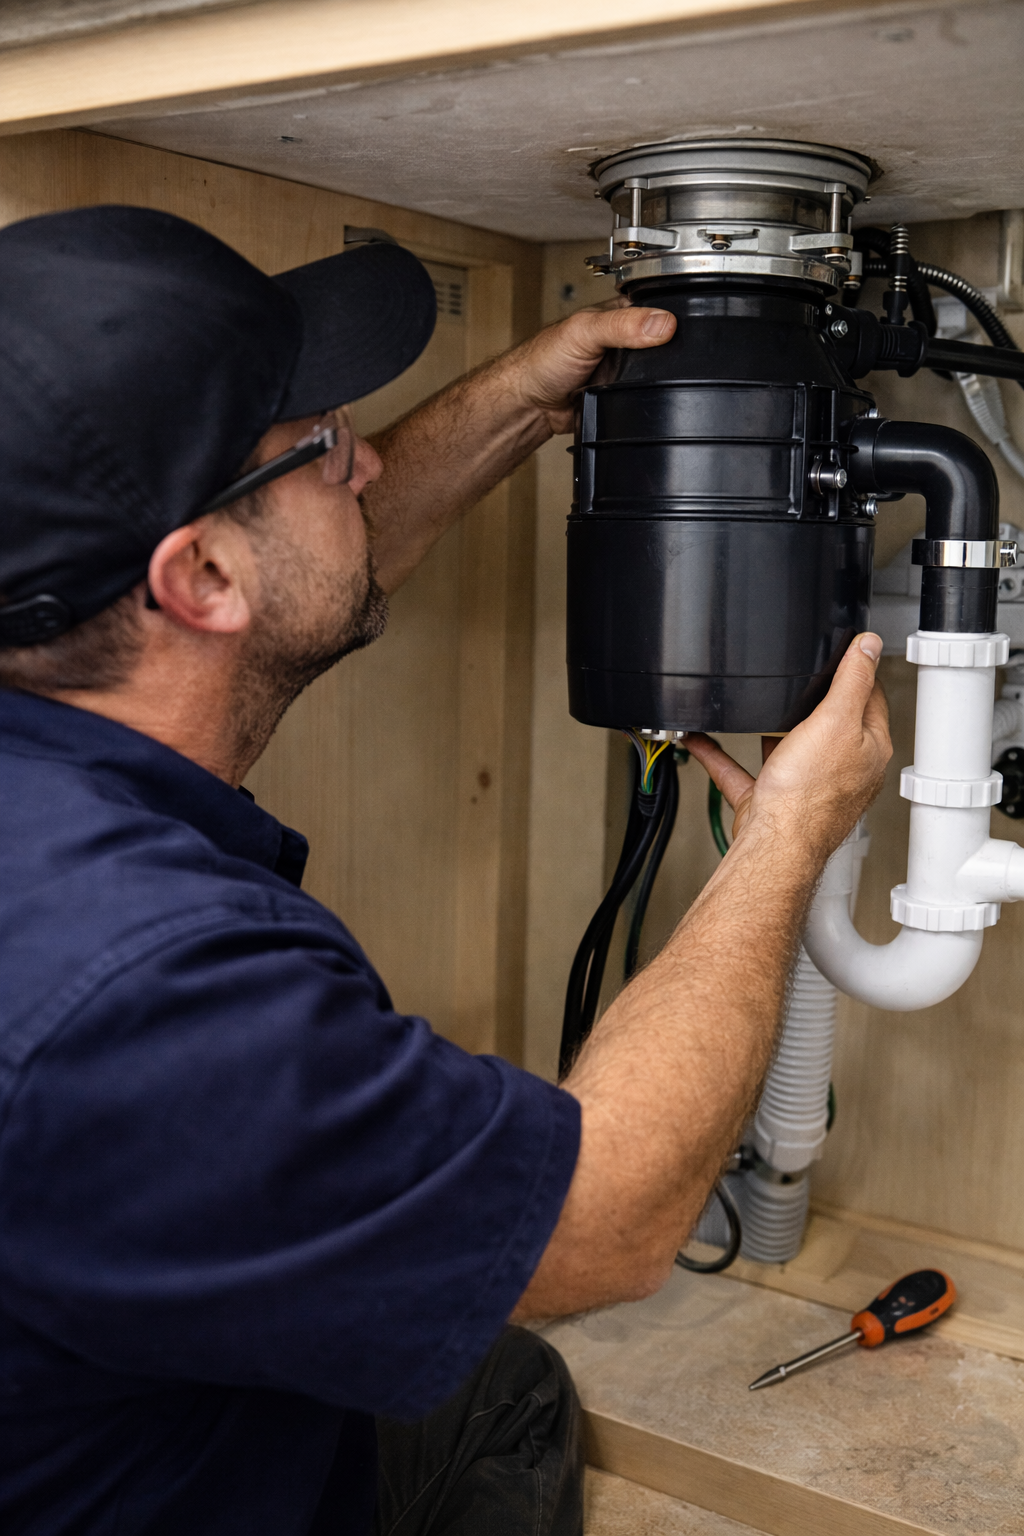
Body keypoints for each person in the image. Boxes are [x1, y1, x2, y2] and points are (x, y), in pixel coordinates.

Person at [0, 206, 891, 1536]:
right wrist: (785, 841)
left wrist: (522, 404)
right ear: (196, 573)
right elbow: (602, 1227)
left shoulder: (63, 724)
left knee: (500, 1390)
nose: (359, 462)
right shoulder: (142, 997)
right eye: (318, 448)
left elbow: (277, 605)